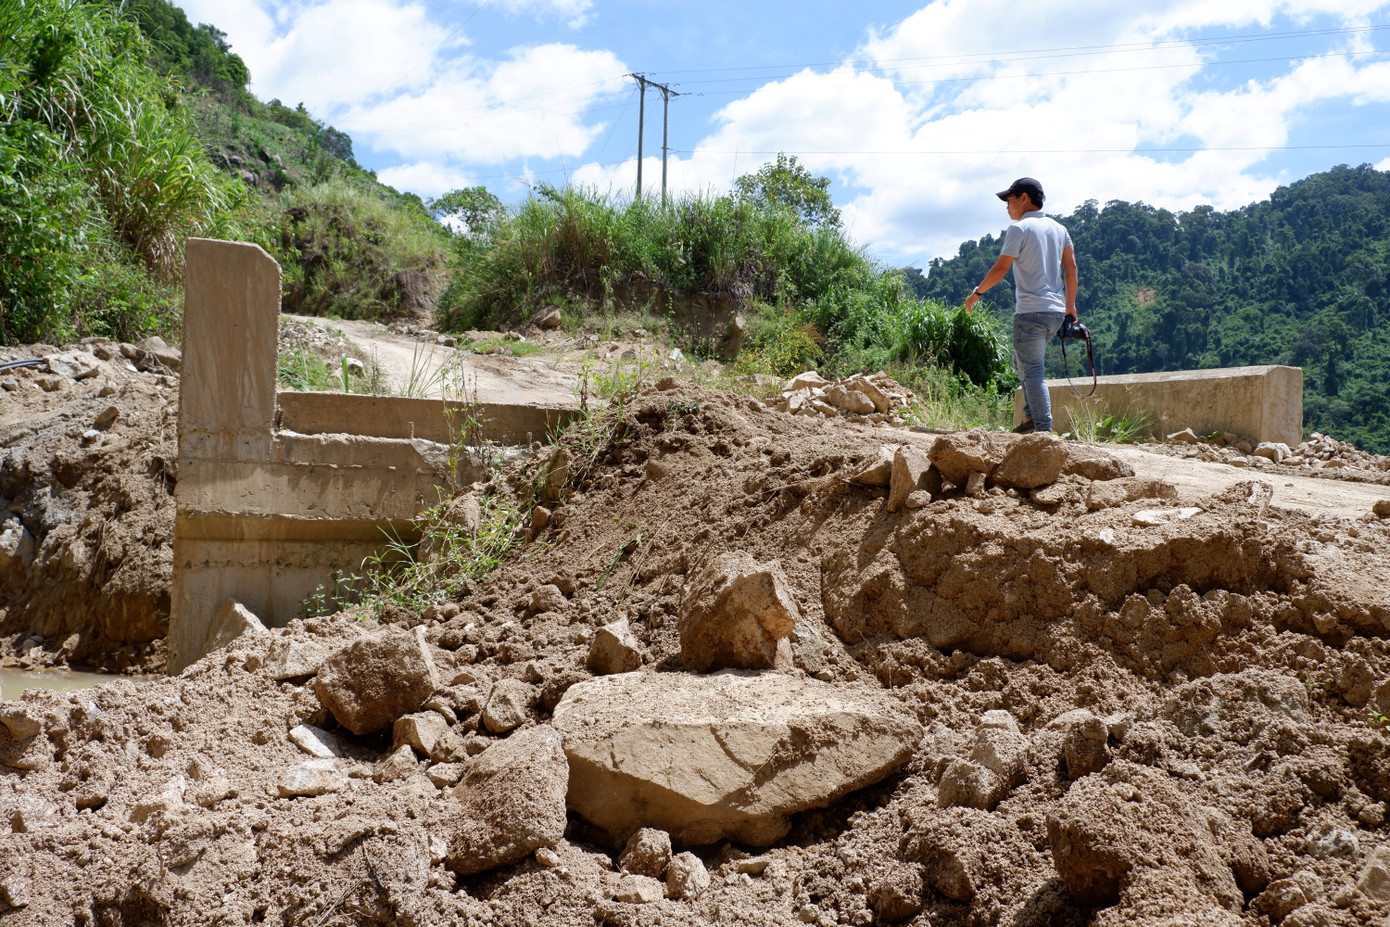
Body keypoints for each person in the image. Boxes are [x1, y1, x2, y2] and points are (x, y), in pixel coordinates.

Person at [963, 177, 1078, 434]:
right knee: (1020, 363)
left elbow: (1001, 267)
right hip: (1055, 313)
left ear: (1024, 198)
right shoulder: (1060, 229)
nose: (1007, 206)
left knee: (1033, 371)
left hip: (1030, 313)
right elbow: (1071, 269)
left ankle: (1043, 431)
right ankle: (1029, 420)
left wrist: (977, 293)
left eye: (1009, 199)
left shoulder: (1020, 229)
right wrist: (1070, 306)